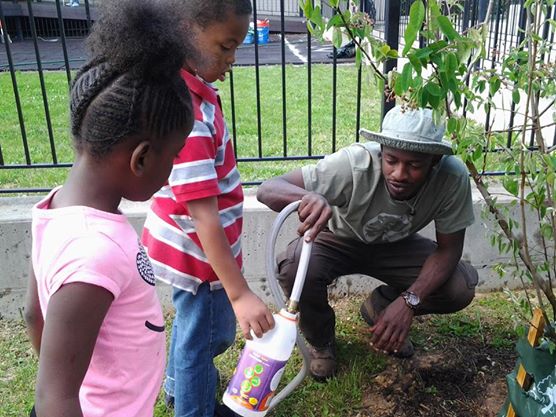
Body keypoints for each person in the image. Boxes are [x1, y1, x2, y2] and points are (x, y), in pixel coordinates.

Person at [23, 1, 194, 416]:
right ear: (141, 158)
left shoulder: (55, 207)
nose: (171, 171)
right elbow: (55, 399)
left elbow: (33, 315)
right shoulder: (95, 253)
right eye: (172, 157)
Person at [257, 106, 479, 381]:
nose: (399, 173)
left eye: (414, 165)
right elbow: (267, 189)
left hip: (397, 244)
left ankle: (382, 307)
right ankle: (322, 343)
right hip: (337, 238)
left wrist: (408, 302)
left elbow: (449, 250)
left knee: (459, 287)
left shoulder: (452, 177)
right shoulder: (353, 164)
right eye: (391, 160)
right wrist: (306, 198)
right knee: (294, 267)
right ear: (381, 151)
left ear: (434, 162)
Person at [141, 1, 275, 416]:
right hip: (197, 255)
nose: (232, 59)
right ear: (183, 32)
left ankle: (178, 385)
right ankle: (192, 406)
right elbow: (203, 216)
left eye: (237, 46)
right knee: (205, 339)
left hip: (190, 247)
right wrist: (239, 293)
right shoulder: (190, 116)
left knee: (200, 331)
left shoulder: (188, 90)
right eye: (225, 46)